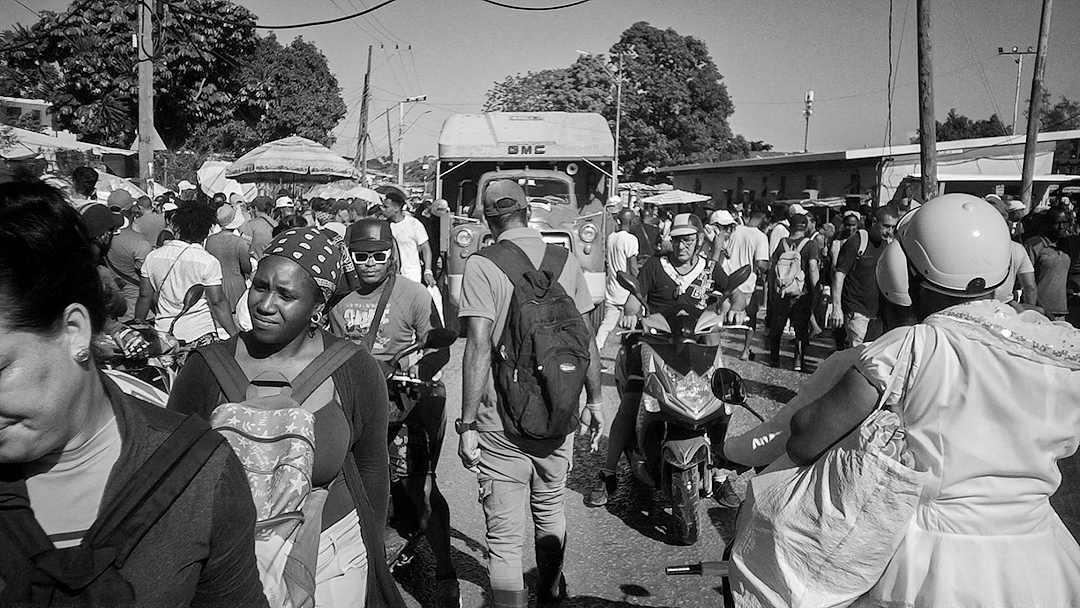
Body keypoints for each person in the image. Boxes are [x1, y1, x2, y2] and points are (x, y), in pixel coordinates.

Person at [787, 193, 1080, 606]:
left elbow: (803, 439)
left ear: (901, 270)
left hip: (930, 560)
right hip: (1041, 558)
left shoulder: (912, 346)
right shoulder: (1062, 347)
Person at [0, 179, 267, 607]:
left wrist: (142, 327)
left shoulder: (198, 473)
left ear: (74, 331)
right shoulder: (208, 258)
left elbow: (142, 297)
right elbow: (218, 303)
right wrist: (232, 340)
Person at [169, 226, 405, 608]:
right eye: (260, 286)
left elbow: (373, 469)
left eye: (286, 295)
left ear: (318, 307)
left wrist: (372, 553)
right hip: (227, 559)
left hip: (331, 555)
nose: (265, 304)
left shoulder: (354, 369)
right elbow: (173, 468)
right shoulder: (206, 367)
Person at [457, 179, 603, 608]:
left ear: (488, 219)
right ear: (527, 212)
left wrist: (466, 425)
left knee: (503, 540)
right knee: (550, 508)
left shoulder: (483, 264)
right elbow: (587, 340)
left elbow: (478, 346)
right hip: (558, 412)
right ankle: (552, 592)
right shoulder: (564, 260)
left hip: (500, 421)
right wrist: (595, 402)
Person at [329, 218, 458, 607]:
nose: (369, 262)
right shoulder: (336, 300)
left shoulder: (415, 295)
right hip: (356, 407)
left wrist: (415, 369)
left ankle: (446, 572)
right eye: (360, 255)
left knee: (421, 486)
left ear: (392, 255)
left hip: (407, 403)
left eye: (378, 254)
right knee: (350, 485)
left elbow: (441, 346)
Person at [588, 213, 741, 508]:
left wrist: (735, 307)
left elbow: (737, 295)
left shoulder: (710, 268)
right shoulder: (656, 266)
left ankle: (721, 474)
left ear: (699, 240)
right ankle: (608, 474)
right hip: (656, 346)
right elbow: (635, 298)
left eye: (689, 238)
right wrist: (632, 310)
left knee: (724, 404)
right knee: (631, 401)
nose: (682, 244)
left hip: (699, 348)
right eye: (678, 238)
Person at [134, 202, 239, 347]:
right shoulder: (207, 261)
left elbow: (144, 296)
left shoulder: (153, 257)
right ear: (206, 231)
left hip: (164, 335)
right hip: (199, 334)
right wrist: (234, 335)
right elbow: (217, 302)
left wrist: (138, 326)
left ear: (177, 228)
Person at [829, 205, 898, 348]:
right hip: (857, 310)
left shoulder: (888, 244)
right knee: (859, 356)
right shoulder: (857, 242)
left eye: (892, 227)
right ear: (874, 222)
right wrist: (836, 308)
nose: (889, 231)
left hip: (877, 314)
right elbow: (839, 274)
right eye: (886, 226)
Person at [765, 213, 820, 371]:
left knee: (777, 328)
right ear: (805, 226)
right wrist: (815, 291)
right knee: (801, 329)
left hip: (782, 293)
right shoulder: (810, 245)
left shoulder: (782, 244)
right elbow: (813, 268)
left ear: (791, 226)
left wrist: (771, 293)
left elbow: (772, 269)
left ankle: (774, 359)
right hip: (801, 295)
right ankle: (797, 362)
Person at [714, 209, 769, 360]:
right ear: (763, 217)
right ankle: (745, 350)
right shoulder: (761, 237)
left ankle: (717, 351)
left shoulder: (733, 231)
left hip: (726, 281)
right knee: (750, 319)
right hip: (746, 284)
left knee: (719, 319)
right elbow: (760, 263)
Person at [1025, 207, 1080, 325]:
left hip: (1062, 313)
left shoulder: (1067, 245)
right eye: (1056, 223)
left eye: (1064, 223)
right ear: (1046, 224)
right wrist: (1042, 309)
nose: (1061, 227)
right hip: (1039, 312)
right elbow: (1027, 283)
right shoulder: (1034, 245)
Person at [595, 208, 639, 350]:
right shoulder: (631, 239)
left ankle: (596, 349)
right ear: (631, 221)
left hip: (612, 286)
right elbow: (632, 267)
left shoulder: (611, 237)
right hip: (626, 289)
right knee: (633, 324)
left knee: (607, 324)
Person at [104, 192, 153, 321]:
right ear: (132, 209)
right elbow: (150, 282)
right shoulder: (139, 243)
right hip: (135, 311)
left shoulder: (101, 237)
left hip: (109, 309)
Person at [985, 195, 1037, 308]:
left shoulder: (965, 245)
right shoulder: (1017, 248)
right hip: (1005, 308)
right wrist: (1028, 312)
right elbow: (1030, 287)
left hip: (970, 309)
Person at [379, 185, 436, 287]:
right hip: (391, 277)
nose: (383, 210)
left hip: (411, 276)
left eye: (386, 207)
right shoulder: (385, 226)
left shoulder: (414, 224)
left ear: (396, 208)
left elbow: (426, 249)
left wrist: (428, 272)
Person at [205, 202, 253, 315]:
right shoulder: (239, 242)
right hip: (235, 286)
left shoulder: (210, 240)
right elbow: (247, 268)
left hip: (215, 285)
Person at [241, 195, 279, 261]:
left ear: (255, 209)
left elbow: (245, 247)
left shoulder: (251, 224)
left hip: (257, 263)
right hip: (273, 262)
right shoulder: (276, 224)